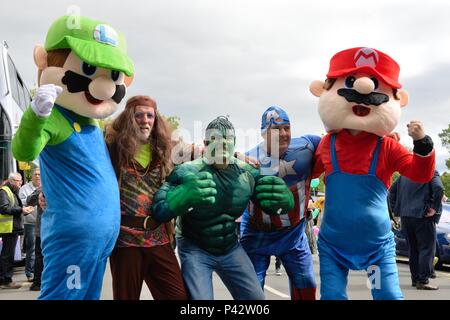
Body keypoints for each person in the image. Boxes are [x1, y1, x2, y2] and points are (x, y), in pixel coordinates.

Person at [12, 15, 134, 299]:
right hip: (73, 239)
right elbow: (24, 151)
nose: (104, 87)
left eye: (113, 76)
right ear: (44, 61)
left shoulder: (93, 122)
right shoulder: (54, 116)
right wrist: (36, 114)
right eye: (89, 68)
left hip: (99, 240)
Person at [310, 47, 436, 300]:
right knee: (332, 296)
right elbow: (304, 173)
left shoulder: (387, 146)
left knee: (386, 294)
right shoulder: (327, 144)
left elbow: (420, 173)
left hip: (375, 248)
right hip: (334, 245)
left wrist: (423, 143)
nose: (364, 91)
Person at [152, 116, 295, 300]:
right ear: (206, 143)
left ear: (234, 144)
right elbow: (158, 209)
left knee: (256, 300)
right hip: (195, 247)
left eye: (227, 142)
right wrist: (180, 198)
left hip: (230, 248)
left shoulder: (247, 174)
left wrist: (285, 201)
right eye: (216, 142)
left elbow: (273, 204)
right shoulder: (187, 172)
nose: (222, 147)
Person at [105, 95, 187, 300]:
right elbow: (80, 165)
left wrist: (240, 158)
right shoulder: (111, 147)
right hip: (125, 241)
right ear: (128, 118)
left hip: (158, 236)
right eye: (138, 115)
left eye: (149, 115)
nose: (145, 120)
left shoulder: (166, 147)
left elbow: (206, 154)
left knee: (178, 297)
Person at [239, 106, 320, 300]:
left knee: (306, 283)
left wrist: (379, 139)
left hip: (294, 234)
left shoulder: (308, 146)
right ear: (263, 133)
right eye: (276, 129)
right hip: (257, 233)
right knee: (252, 292)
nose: (283, 134)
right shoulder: (248, 161)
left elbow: (339, 143)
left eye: (287, 127)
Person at [388, 170, 444, 290]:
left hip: (405, 217)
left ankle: (415, 279)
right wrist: (434, 208)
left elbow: (391, 191)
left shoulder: (405, 174)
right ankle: (423, 281)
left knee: (413, 250)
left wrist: (395, 210)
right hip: (423, 216)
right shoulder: (430, 171)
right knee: (426, 249)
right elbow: (439, 188)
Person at [0, 173, 34, 289]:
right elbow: (4, 208)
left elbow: (12, 208)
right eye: (19, 181)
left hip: (12, 227)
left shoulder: (11, 191)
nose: (21, 183)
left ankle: (4, 279)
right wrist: (21, 209)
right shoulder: (4, 191)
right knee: (7, 255)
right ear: (12, 181)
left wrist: (23, 211)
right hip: (9, 228)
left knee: (7, 254)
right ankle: (6, 280)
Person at [18, 168, 41, 282]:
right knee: (31, 249)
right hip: (31, 223)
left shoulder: (46, 186)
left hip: (44, 223)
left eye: (39, 174)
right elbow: (21, 201)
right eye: (35, 174)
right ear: (32, 176)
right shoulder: (24, 188)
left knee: (42, 249)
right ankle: (30, 273)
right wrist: (28, 205)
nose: (37, 176)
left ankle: (41, 272)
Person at [26, 188, 46, 291]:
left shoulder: (43, 188)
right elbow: (29, 201)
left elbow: (29, 201)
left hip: (44, 229)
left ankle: (38, 283)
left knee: (40, 256)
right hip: (54, 229)